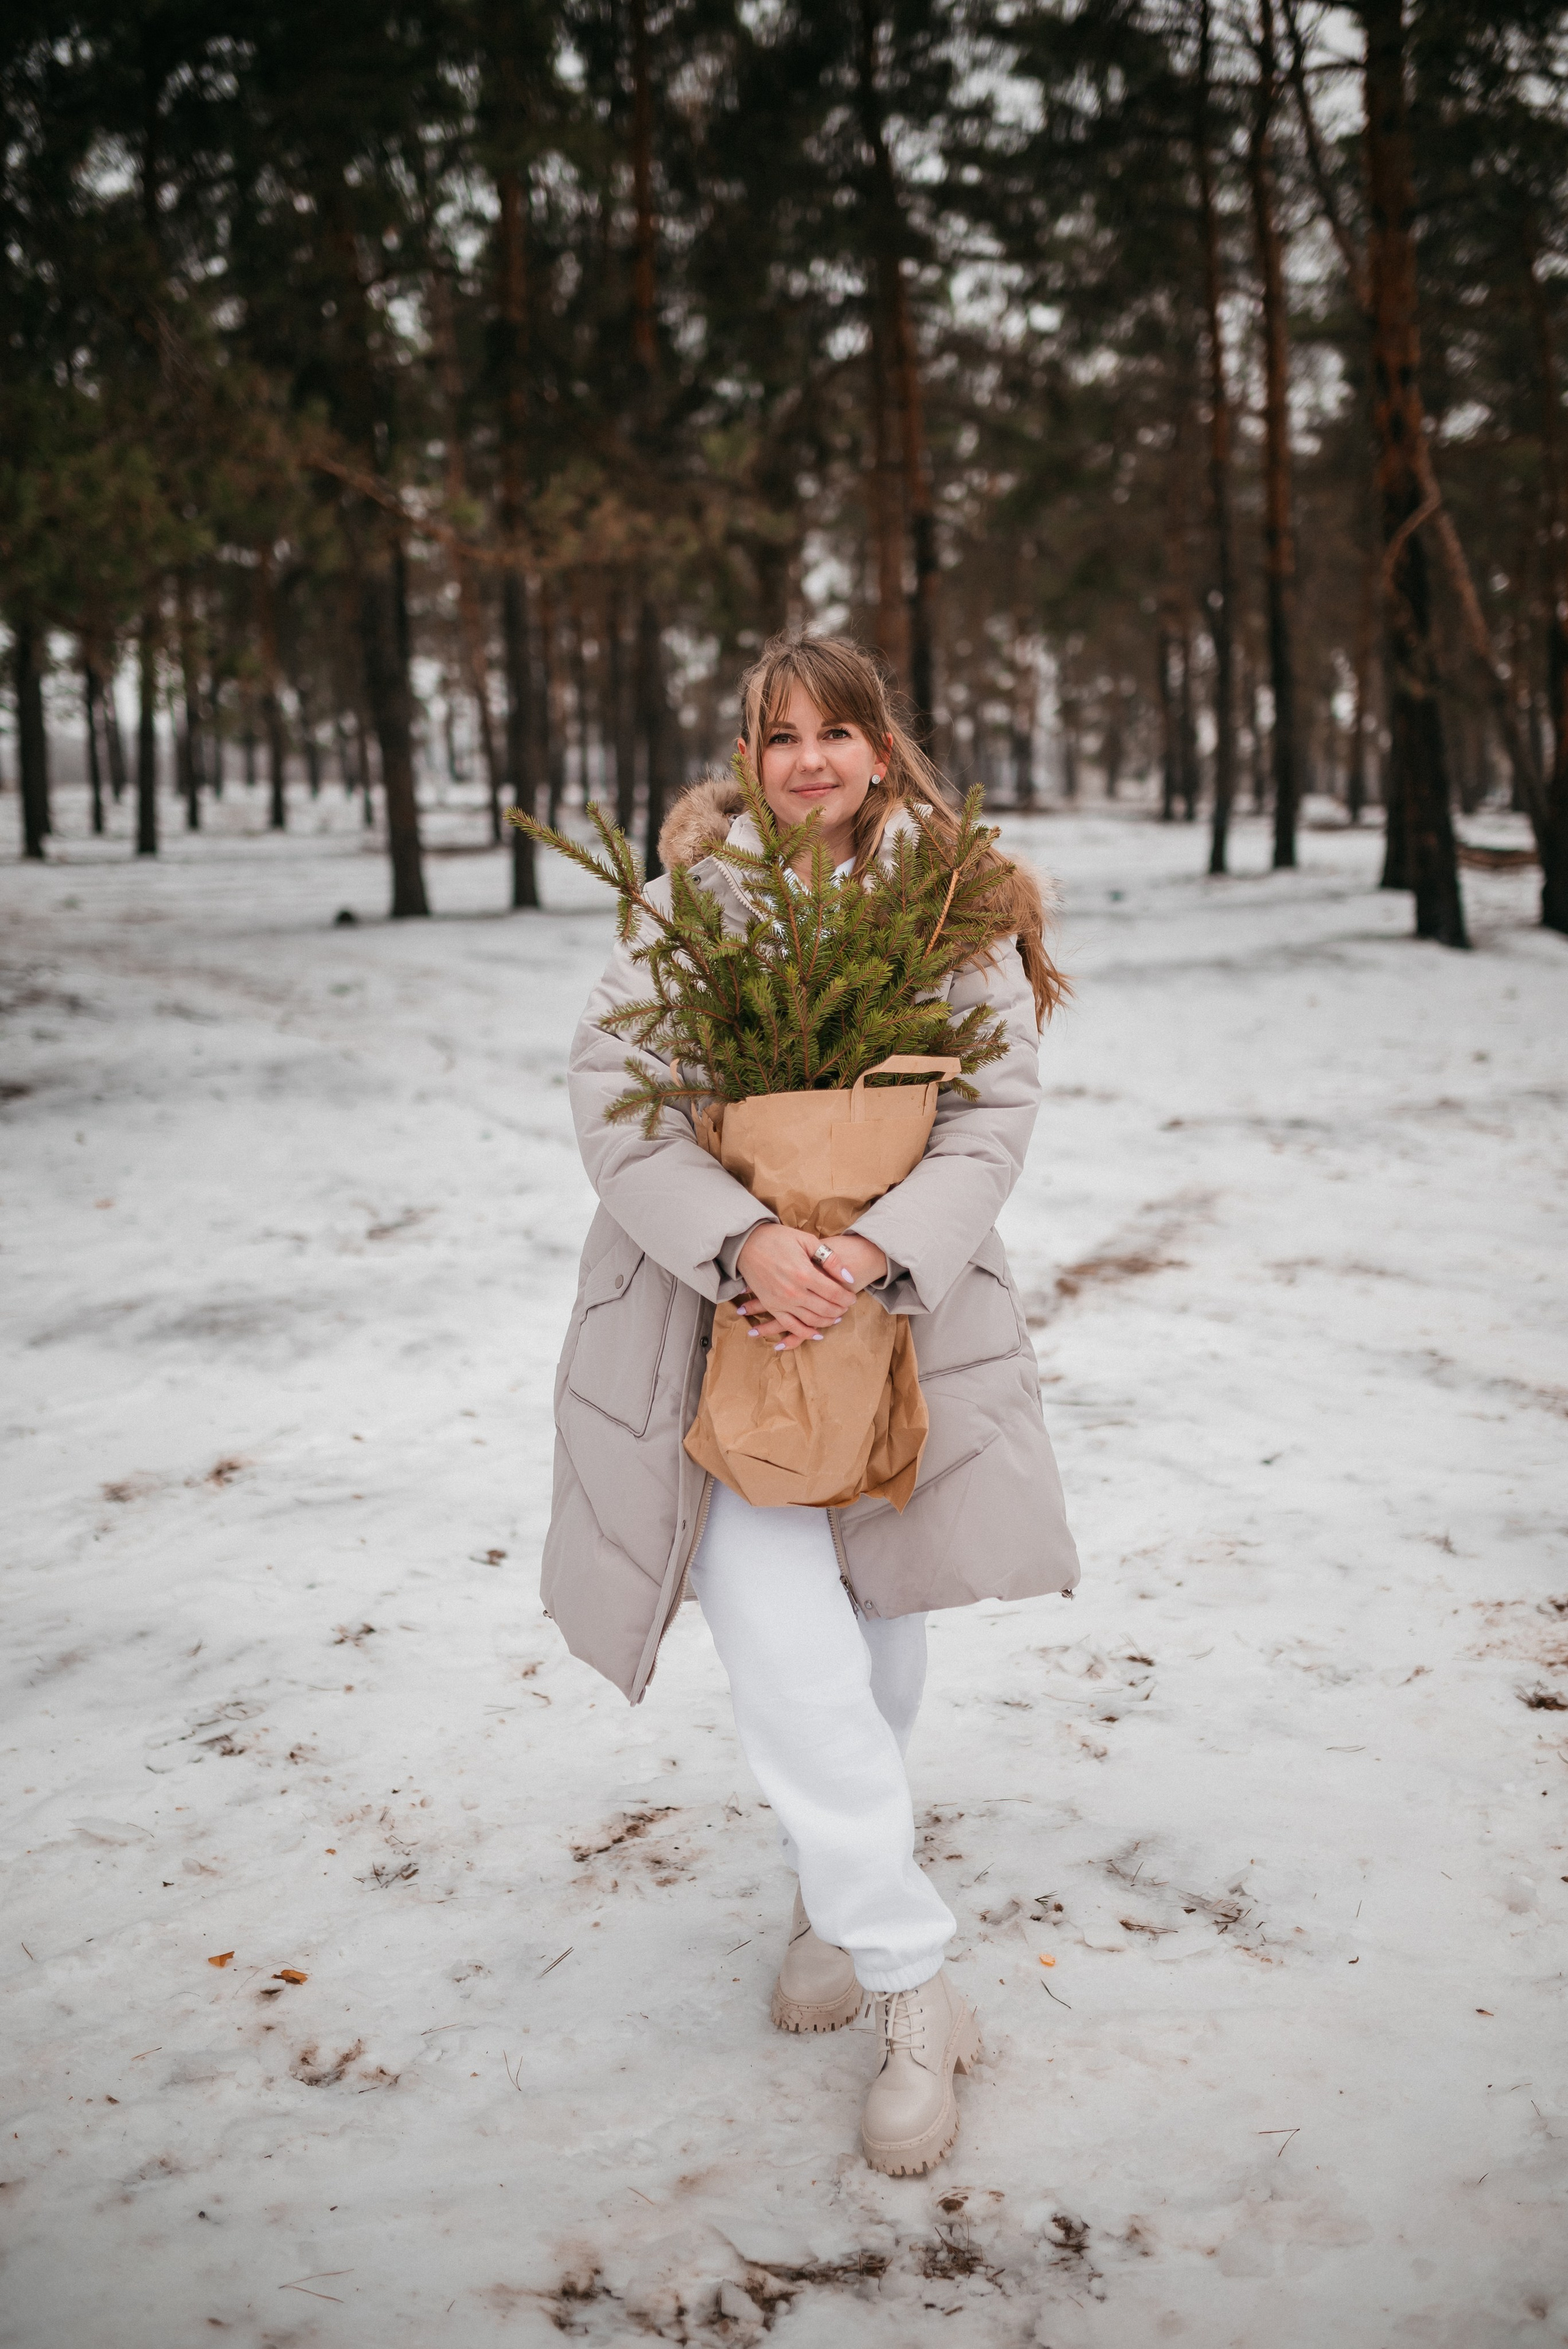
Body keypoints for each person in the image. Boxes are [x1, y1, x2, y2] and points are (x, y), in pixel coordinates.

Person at [542, 632, 1079, 2176]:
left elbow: (987, 1114)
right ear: (746, 759)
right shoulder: (688, 905)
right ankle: (912, 1979)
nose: (808, 760)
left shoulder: (951, 905)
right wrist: (746, 1242)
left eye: (834, 731)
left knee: (876, 1632)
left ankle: (830, 1890)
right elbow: (618, 1101)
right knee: (784, 1643)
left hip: (892, 1322)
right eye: (778, 736)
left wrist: (864, 1252)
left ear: (877, 746)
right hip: (722, 1329)